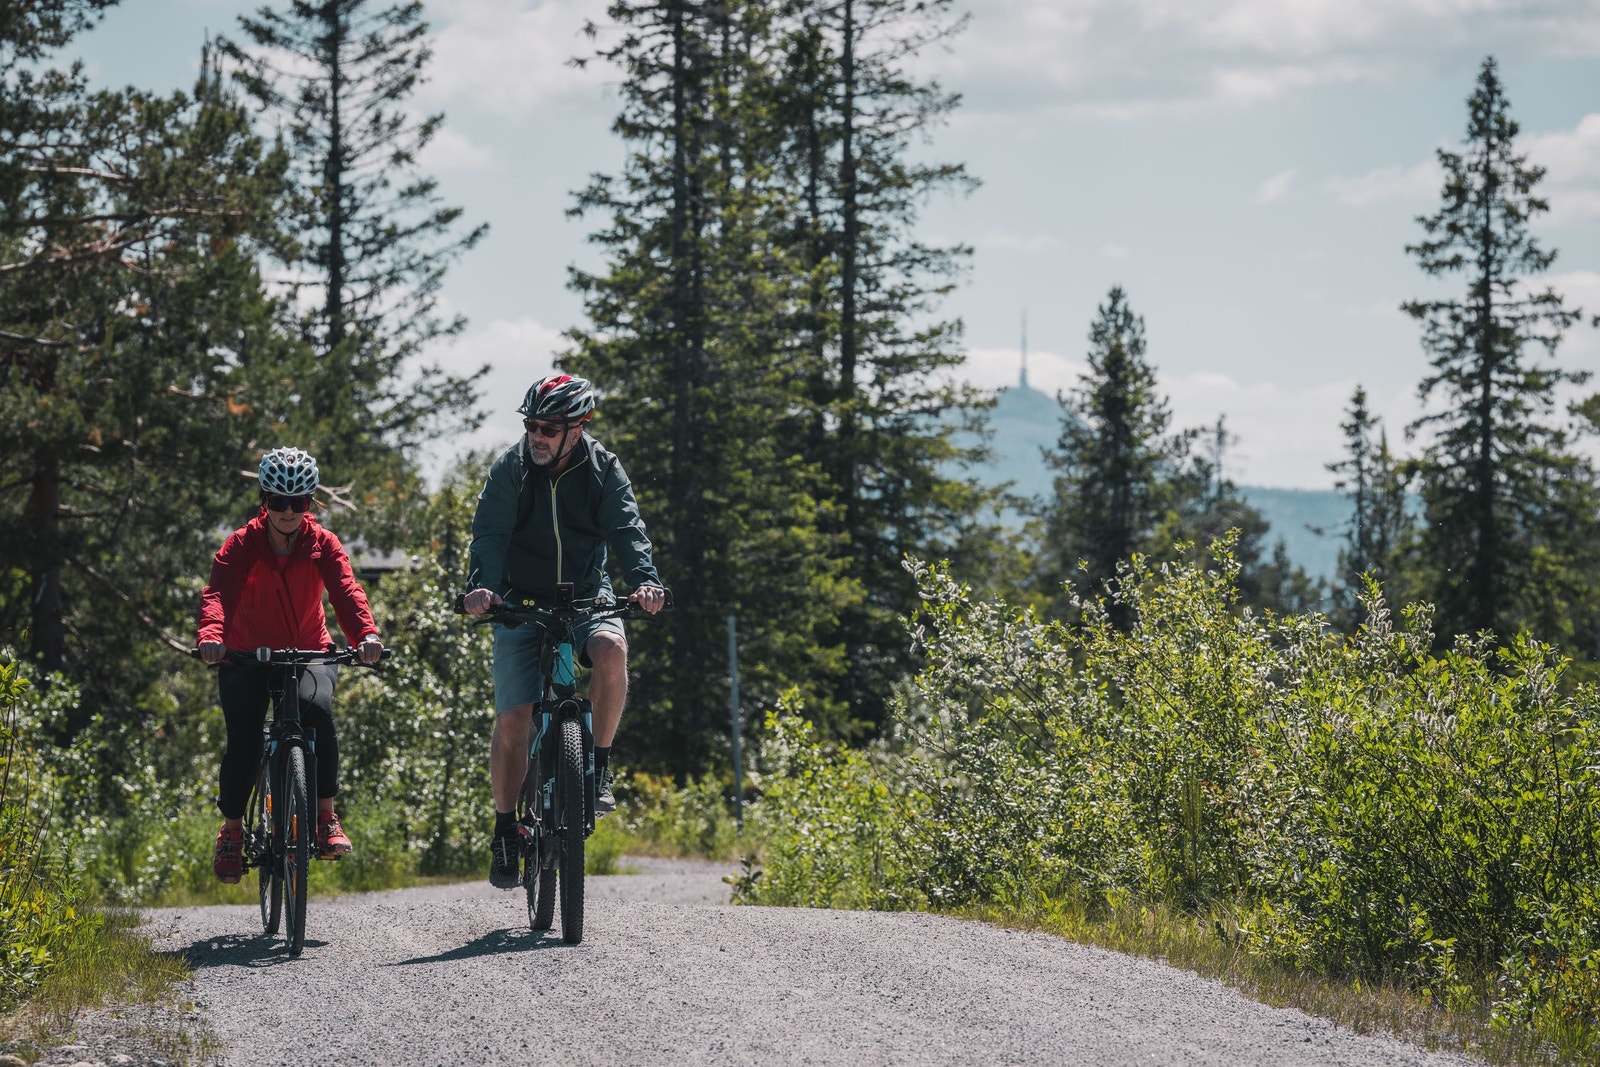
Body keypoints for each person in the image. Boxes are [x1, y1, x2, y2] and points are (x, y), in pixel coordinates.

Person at [463, 373, 666, 890]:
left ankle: (598, 766)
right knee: (514, 719)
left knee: (612, 650)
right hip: (518, 600)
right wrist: (482, 587)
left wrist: (644, 581)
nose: (536, 435)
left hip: (585, 596)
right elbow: (488, 533)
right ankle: (506, 829)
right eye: (531, 424)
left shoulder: (602, 469)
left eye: (548, 427)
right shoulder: (512, 468)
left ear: (577, 429)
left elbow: (626, 528)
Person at [197, 447, 384, 884]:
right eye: (278, 501)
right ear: (264, 501)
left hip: (307, 651)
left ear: (309, 504)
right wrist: (212, 638)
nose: (287, 511)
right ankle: (231, 832)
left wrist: (366, 637)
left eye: (297, 502)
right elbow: (218, 593)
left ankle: (324, 818)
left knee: (317, 714)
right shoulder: (242, 544)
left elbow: (346, 592)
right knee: (243, 743)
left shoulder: (323, 545)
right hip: (245, 654)